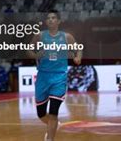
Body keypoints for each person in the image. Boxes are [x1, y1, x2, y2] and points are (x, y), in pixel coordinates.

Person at [28, 10, 82, 141]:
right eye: (48, 18)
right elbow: (29, 49)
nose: (50, 20)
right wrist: (35, 55)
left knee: (53, 111)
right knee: (41, 114)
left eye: (53, 18)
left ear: (58, 21)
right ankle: (54, 125)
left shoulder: (66, 37)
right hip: (43, 77)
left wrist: (77, 57)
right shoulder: (39, 36)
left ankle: (50, 138)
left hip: (59, 77)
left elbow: (78, 48)